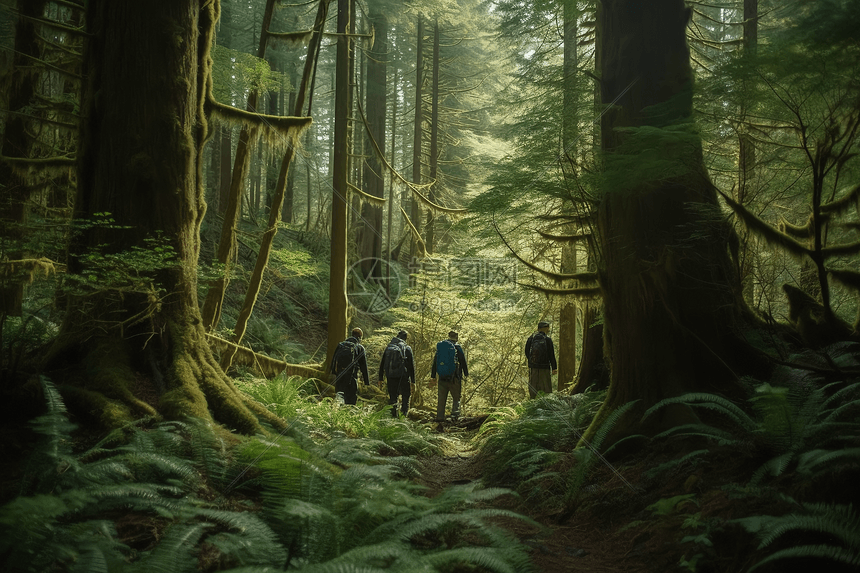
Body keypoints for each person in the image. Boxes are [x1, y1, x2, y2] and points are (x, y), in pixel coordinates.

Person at [429, 330, 468, 422]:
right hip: (454, 378)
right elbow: (463, 361)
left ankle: (440, 417)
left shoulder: (441, 348)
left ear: (448, 336)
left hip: (442, 377)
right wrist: (466, 373)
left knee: (441, 398)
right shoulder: (457, 347)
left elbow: (435, 361)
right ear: (456, 338)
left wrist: (433, 375)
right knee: (456, 397)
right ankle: (455, 416)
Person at [378, 329, 416, 418]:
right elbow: (411, 366)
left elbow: (382, 363)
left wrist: (380, 378)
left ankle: (393, 418)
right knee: (406, 396)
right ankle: (403, 416)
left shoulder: (389, 347)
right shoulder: (407, 348)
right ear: (405, 338)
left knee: (393, 397)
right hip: (403, 376)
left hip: (390, 376)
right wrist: (413, 381)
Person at [329, 327, 370, 405]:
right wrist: (366, 382)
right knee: (351, 399)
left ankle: (337, 412)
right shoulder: (360, 348)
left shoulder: (341, 345)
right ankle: (348, 414)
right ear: (360, 337)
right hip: (352, 377)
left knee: (339, 395)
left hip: (340, 375)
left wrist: (333, 373)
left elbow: (334, 360)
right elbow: (364, 367)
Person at [525, 320, 557, 399]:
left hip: (533, 367)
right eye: (548, 328)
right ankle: (547, 402)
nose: (549, 329)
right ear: (545, 328)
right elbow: (551, 354)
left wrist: (531, 361)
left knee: (533, 386)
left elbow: (526, 351)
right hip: (545, 367)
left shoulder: (531, 338)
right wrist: (554, 367)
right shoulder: (547, 339)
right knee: (546, 388)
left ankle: (532, 401)